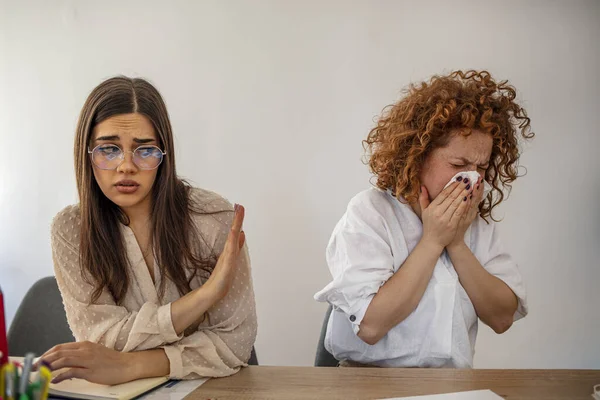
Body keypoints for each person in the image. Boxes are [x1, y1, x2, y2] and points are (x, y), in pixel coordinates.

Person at [41, 77, 257, 384]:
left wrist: (131, 365)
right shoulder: (70, 229)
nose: (126, 166)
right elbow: (100, 339)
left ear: (164, 156)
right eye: (109, 149)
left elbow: (234, 344)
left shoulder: (213, 217)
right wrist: (204, 297)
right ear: (86, 155)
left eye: (145, 151)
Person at [315, 70, 532, 368]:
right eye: (458, 163)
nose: (471, 177)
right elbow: (370, 326)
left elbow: (502, 316)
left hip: (449, 385)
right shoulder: (370, 213)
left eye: (481, 167)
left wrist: (456, 243)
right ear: (417, 156)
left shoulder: (476, 225)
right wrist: (432, 241)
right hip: (366, 382)